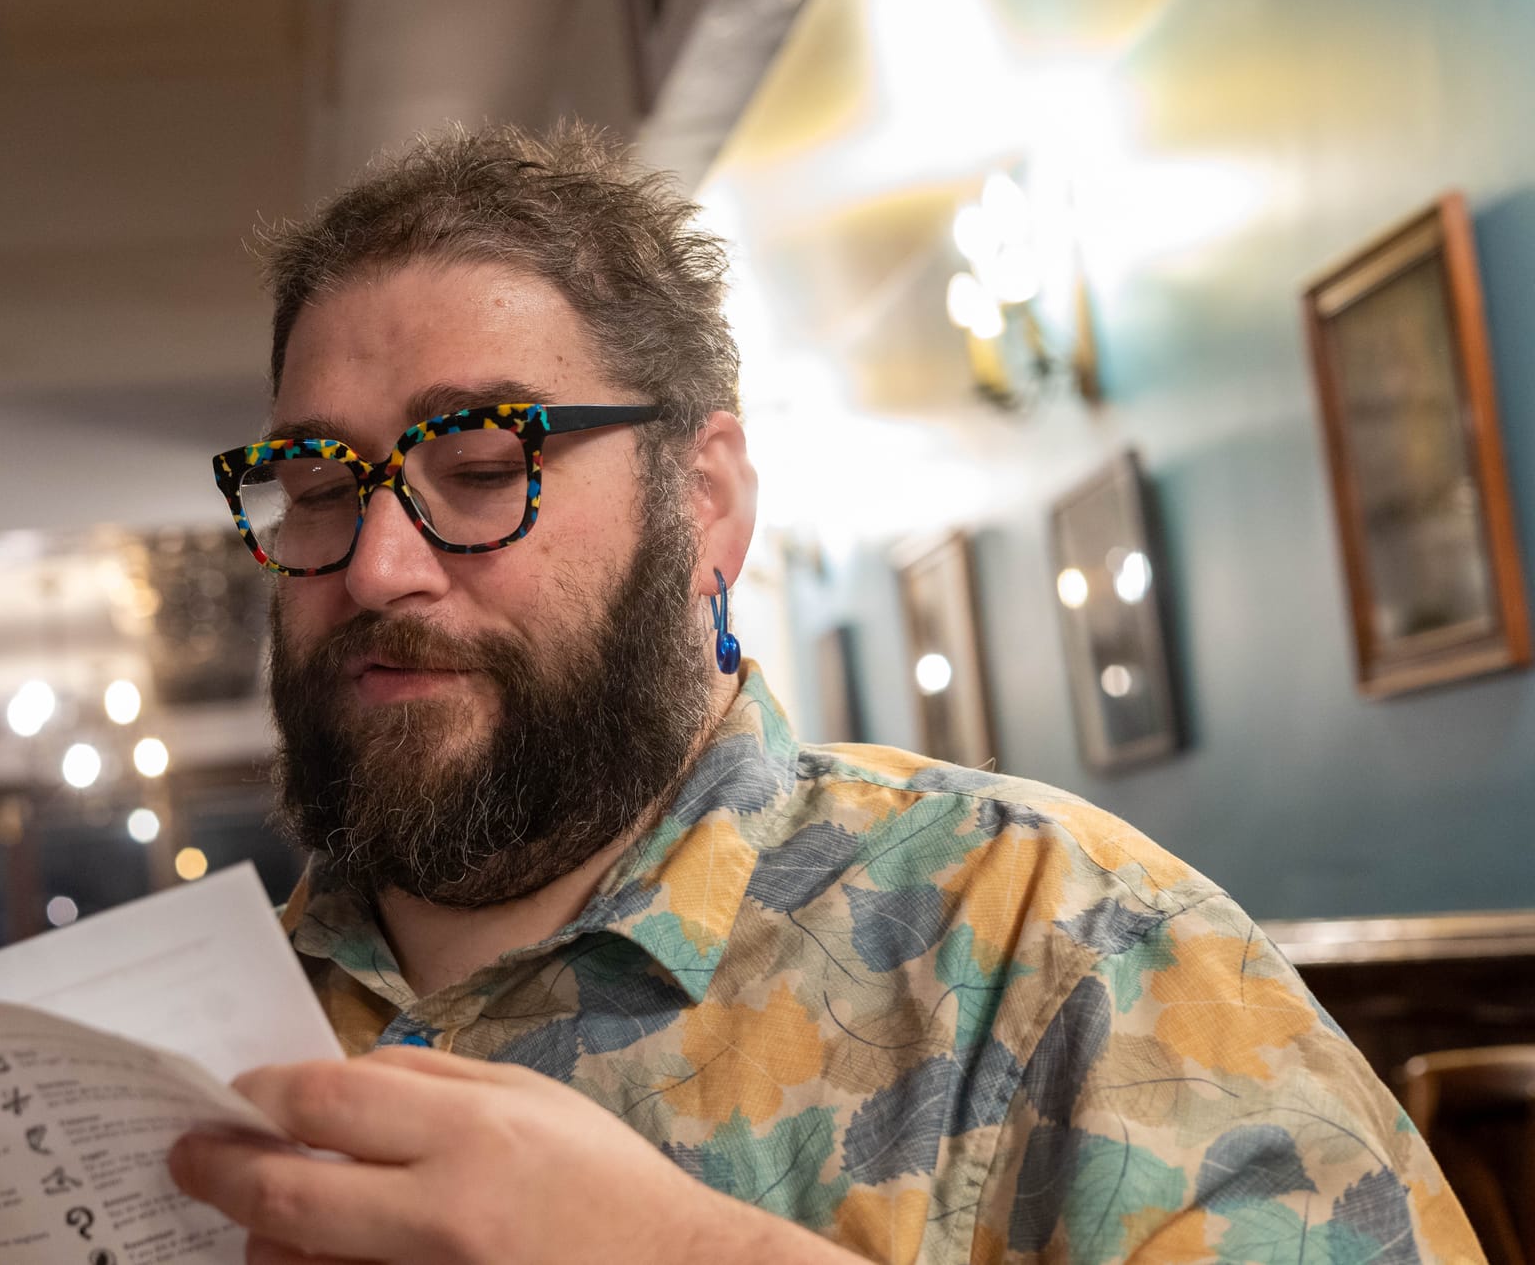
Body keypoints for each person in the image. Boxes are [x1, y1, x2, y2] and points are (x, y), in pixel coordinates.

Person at [166, 123, 1482, 1263]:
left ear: (704, 501)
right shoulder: (176, 1050)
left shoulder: (1068, 952)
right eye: (320, 488)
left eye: (478, 467)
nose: (377, 567)